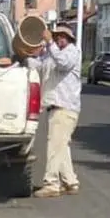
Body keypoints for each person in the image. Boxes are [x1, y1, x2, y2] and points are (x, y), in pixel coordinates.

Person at [30, 23, 82, 197]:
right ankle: (70, 181)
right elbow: (37, 66)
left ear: (69, 39)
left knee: (54, 146)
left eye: (62, 36)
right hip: (55, 107)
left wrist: (50, 43)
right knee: (61, 146)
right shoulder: (52, 55)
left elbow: (63, 63)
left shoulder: (72, 51)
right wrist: (27, 55)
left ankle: (52, 183)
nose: (59, 39)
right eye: (57, 35)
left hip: (65, 107)